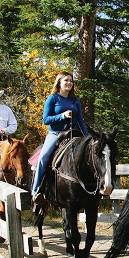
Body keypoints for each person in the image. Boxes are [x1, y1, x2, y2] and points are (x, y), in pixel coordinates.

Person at [31, 71, 89, 205]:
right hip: (56, 134)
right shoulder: (53, 99)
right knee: (43, 158)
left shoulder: (75, 100)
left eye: (71, 80)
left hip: (73, 133)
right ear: (59, 83)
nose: (69, 83)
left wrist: (87, 137)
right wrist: (62, 116)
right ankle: (36, 190)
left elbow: (80, 120)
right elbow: (45, 119)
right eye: (66, 80)